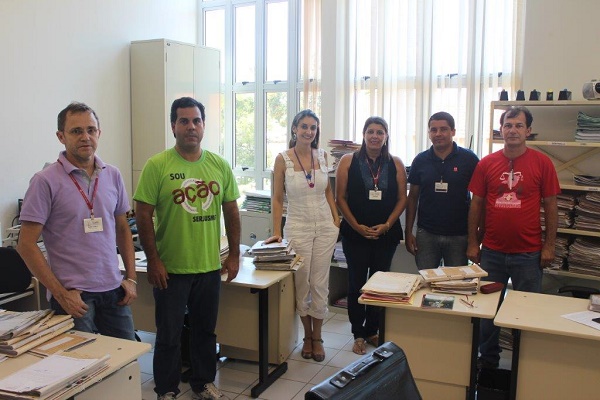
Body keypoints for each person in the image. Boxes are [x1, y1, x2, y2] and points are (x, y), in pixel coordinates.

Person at [134, 97, 240, 400]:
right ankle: (166, 390)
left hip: (208, 267)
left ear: (203, 126)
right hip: (171, 269)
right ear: (173, 126)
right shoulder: (157, 165)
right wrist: (153, 261)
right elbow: (143, 215)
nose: (191, 127)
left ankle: (202, 382)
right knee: (169, 335)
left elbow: (231, 212)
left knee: (205, 332)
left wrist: (234, 254)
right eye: (184, 121)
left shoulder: (219, 165)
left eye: (196, 121)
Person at [17, 101, 137, 340]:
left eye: (91, 130)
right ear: (61, 136)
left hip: (113, 290)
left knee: (128, 356)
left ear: (99, 133)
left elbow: (123, 228)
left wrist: (131, 278)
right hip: (74, 296)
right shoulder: (44, 181)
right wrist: (60, 294)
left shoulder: (112, 175)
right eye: (76, 131)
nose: (85, 137)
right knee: (79, 361)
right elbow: (25, 244)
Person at [467, 106, 560, 369]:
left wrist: (549, 246)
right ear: (501, 130)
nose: (513, 130)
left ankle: (524, 364)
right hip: (492, 252)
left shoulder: (542, 163)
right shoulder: (487, 163)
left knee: (527, 313)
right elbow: (476, 204)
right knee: (488, 312)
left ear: (528, 131)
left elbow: (551, 206)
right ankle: (488, 362)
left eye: (519, 125)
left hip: (528, 254)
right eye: (508, 125)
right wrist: (473, 242)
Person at [264, 110, 340, 362]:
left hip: (325, 227)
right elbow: (277, 198)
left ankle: (317, 337)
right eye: (304, 126)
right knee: (302, 282)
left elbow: (327, 191)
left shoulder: (323, 156)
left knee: (320, 282)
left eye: (313, 128)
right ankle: (306, 336)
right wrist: (277, 231)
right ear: (294, 129)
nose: (309, 132)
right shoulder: (282, 159)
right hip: (297, 226)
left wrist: (335, 218)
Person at [336, 116, 408, 355]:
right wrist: (356, 226)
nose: (375, 136)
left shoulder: (395, 163)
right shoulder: (348, 160)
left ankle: (372, 330)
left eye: (380, 132)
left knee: (379, 284)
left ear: (386, 136)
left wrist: (387, 224)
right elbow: (340, 198)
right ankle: (358, 333)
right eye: (370, 131)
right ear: (364, 134)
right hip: (355, 234)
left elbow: (402, 199)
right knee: (356, 283)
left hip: (385, 234)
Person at [405, 111, 479, 269]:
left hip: (459, 235)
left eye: (443, 129)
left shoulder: (469, 159)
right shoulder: (420, 160)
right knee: (426, 280)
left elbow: (478, 200)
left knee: (456, 281)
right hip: (427, 234)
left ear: (453, 131)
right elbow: (412, 197)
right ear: (429, 133)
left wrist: (475, 238)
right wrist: (408, 231)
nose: (438, 134)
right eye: (433, 130)